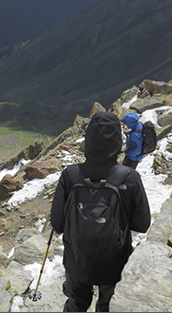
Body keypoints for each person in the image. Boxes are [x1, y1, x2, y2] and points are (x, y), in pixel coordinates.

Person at [51, 111, 151, 312]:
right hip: (113, 261)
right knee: (107, 304)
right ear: (117, 141)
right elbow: (142, 224)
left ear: (88, 140)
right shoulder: (129, 178)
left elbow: (58, 224)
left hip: (77, 259)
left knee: (77, 302)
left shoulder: (70, 175)